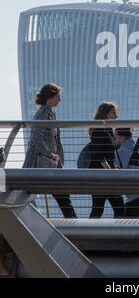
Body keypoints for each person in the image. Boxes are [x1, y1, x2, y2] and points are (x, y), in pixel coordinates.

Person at [23, 83, 77, 218]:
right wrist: (50, 155)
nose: (60, 100)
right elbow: (36, 137)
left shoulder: (50, 113)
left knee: (62, 195)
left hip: (50, 163)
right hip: (41, 163)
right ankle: (74, 223)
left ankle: (73, 222)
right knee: (61, 195)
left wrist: (58, 160)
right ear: (50, 96)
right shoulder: (43, 113)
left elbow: (54, 141)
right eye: (58, 96)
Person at [88, 102, 125, 218]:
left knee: (99, 209)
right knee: (116, 208)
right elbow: (99, 154)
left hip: (103, 174)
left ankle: (91, 234)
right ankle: (116, 235)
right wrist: (110, 171)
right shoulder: (100, 130)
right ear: (106, 114)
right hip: (101, 176)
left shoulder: (108, 130)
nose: (116, 116)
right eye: (113, 113)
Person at [114, 127, 139, 217]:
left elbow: (116, 170)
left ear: (123, 138)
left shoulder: (122, 151)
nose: (113, 140)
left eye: (115, 138)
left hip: (133, 195)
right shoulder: (137, 148)